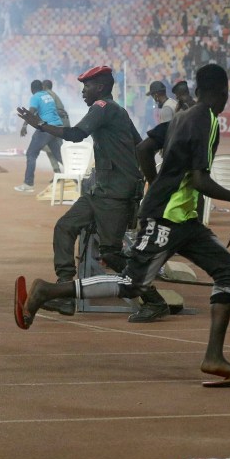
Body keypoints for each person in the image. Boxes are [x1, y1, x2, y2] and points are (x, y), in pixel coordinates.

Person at [15, 64, 230, 387]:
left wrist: (153, 182)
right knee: (127, 277)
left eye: (87, 85)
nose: (83, 90)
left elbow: (144, 147)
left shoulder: (178, 118)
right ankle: (50, 291)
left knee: (226, 272)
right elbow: (197, 178)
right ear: (224, 93)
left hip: (170, 213)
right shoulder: (202, 119)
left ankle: (213, 356)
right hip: (163, 216)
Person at [17, 65, 168, 322]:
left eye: (86, 86)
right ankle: (64, 293)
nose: (82, 91)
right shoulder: (117, 112)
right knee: (65, 227)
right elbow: (140, 145)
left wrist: (40, 124)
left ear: (99, 87)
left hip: (115, 194)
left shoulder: (103, 107)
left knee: (111, 253)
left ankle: (154, 300)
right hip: (103, 191)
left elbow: (76, 134)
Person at [15, 79, 64, 192]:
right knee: (59, 156)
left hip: (46, 128)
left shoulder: (35, 97)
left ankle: (28, 184)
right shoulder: (48, 96)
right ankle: (80, 177)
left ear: (32, 89)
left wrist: (24, 125)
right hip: (57, 127)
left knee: (31, 154)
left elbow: (31, 111)